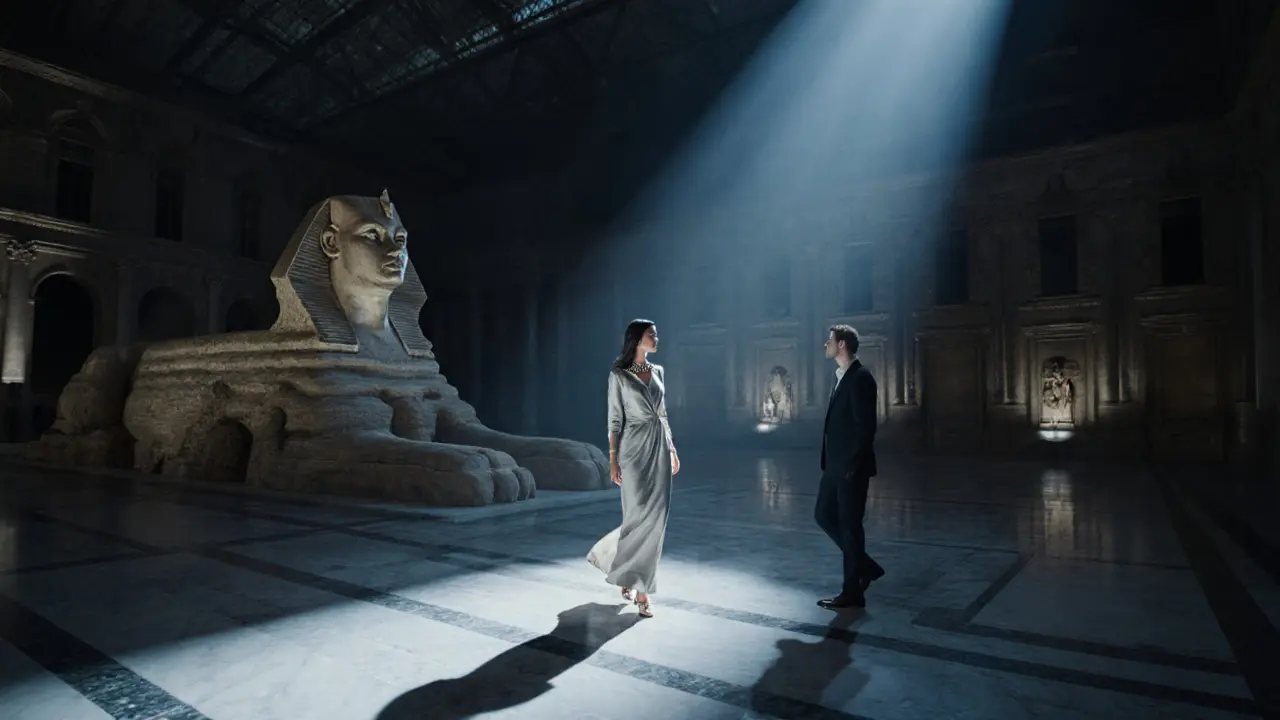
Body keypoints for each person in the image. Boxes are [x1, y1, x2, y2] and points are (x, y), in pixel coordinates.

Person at [587, 319, 680, 618]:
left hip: (660, 448)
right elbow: (615, 420)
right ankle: (623, 569)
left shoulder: (659, 372)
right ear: (637, 339)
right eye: (652, 334)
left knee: (657, 519)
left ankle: (642, 589)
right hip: (632, 449)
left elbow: (663, 414)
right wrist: (612, 459)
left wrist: (672, 448)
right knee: (637, 517)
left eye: (655, 334)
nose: (657, 338)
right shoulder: (619, 375)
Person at [815, 324, 884, 609]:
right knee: (823, 515)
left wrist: (852, 466)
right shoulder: (842, 377)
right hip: (834, 466)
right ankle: (865, 568)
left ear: (842, 344)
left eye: (829, 340)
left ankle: (852, 591)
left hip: (849, 469)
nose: (825, 344)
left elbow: (865, 428)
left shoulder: (861, 378)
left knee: (850, 526)